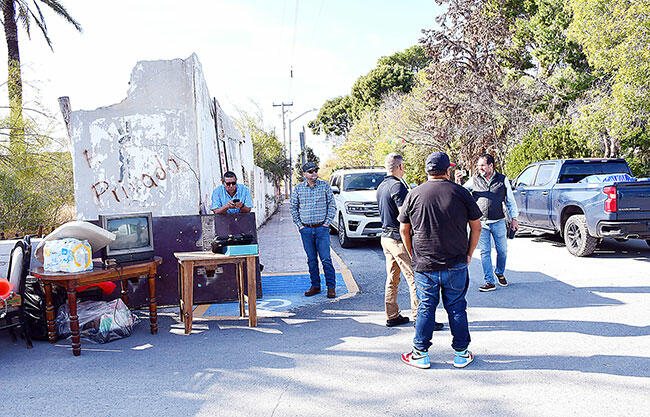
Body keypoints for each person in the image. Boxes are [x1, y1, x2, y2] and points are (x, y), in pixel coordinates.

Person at [399, 151, 482, 369]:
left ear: (427, 171)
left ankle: (421, 353)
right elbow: (476, 226)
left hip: (424, 264)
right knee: (456, 307)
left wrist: (412, 254)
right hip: (456, 262)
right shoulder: (461, 193)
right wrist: (469, 253)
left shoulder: (414, 194)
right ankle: (462, 354)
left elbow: (404, 229)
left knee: (426, 307)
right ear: (448, 170)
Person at [376, 153, 444, 330]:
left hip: (385, 237)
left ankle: (392, 315)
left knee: (392, 278)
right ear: (400, 167)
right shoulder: (397, 187)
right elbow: (404, 215)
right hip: (398, 239)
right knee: (414, 278)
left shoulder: (382, 186)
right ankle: (420, 317)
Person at [455, 154, 519, 292]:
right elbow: (461, 192)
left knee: (502, 251)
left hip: (498, 221)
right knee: (485, 252)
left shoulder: (502, 180)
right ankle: (489, 281)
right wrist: (458, 181)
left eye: (483, 165)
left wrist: (514, 218)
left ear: (491, 165)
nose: (480, 168)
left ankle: (500, 272)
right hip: (481, 223)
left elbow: (510, 201)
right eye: (479, 166)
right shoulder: (475, 179)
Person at [290, 162, 338, 298]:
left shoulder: (325, 186)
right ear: (304, 174)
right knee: (311, 259)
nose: (314, 173)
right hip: (306, 230)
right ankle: (315, 286)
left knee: (326, 259)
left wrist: (326, 224)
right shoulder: (298, 189)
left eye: (316, 170)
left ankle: (331, 287)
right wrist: (300, 226)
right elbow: (293, 208)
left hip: (322, 229)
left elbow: (332, 205)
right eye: (311, 171)